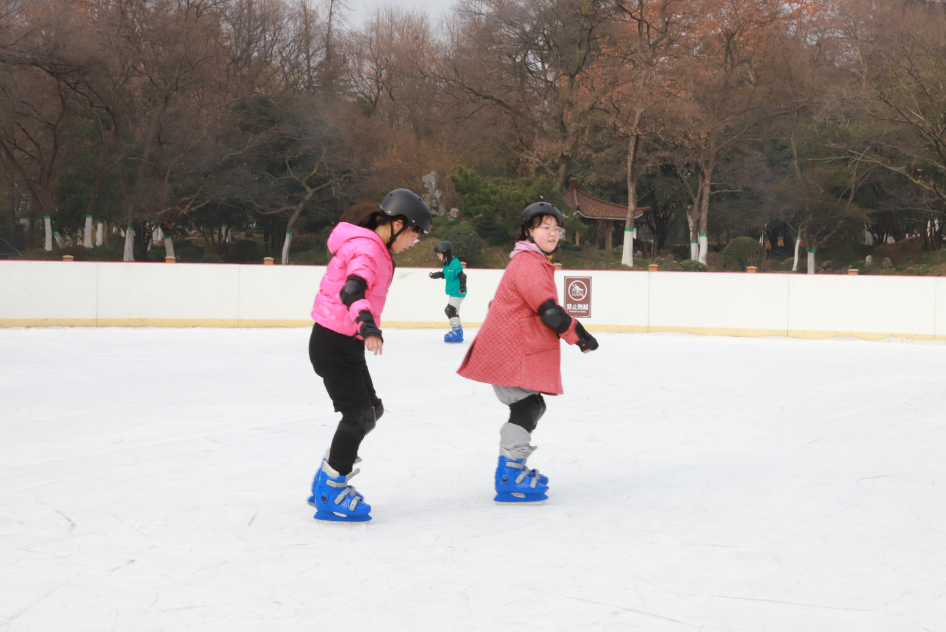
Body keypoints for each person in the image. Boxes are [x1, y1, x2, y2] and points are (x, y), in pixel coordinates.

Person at [457, 202, 599, 504]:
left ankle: (511, 469)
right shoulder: (529, 263)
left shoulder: (530, 261)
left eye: (556, 228)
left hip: (511, 349)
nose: (552, 233)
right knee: (528, 407)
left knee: (530, 406)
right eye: (544, 227)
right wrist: (580, 335)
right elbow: (549, 311)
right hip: (509, 352)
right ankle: (509, 472)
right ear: (528, 231)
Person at [307, 189, 433, 523]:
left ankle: (327, 474)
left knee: (370, 410)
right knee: (359, 414)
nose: (412, 242)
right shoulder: (367, 248)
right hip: (335, 340)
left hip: (341, 341)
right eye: (414, 234)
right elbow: (352, 289)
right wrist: (367, 324)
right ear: (397, 224)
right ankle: (332, 488)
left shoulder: (372, 247)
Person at [428, 240, 468, 342]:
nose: (438, 257)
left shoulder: (455, 262)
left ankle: (457, 332)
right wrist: (434, 275)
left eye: (439, 255)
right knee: (453, 310)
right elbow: (444, 274)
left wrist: (462, 287)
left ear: (445, 252)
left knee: (450, 309)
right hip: (453, 292)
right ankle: (458, 331)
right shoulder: (446, 264)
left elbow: (462, 276)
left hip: (458, 291)